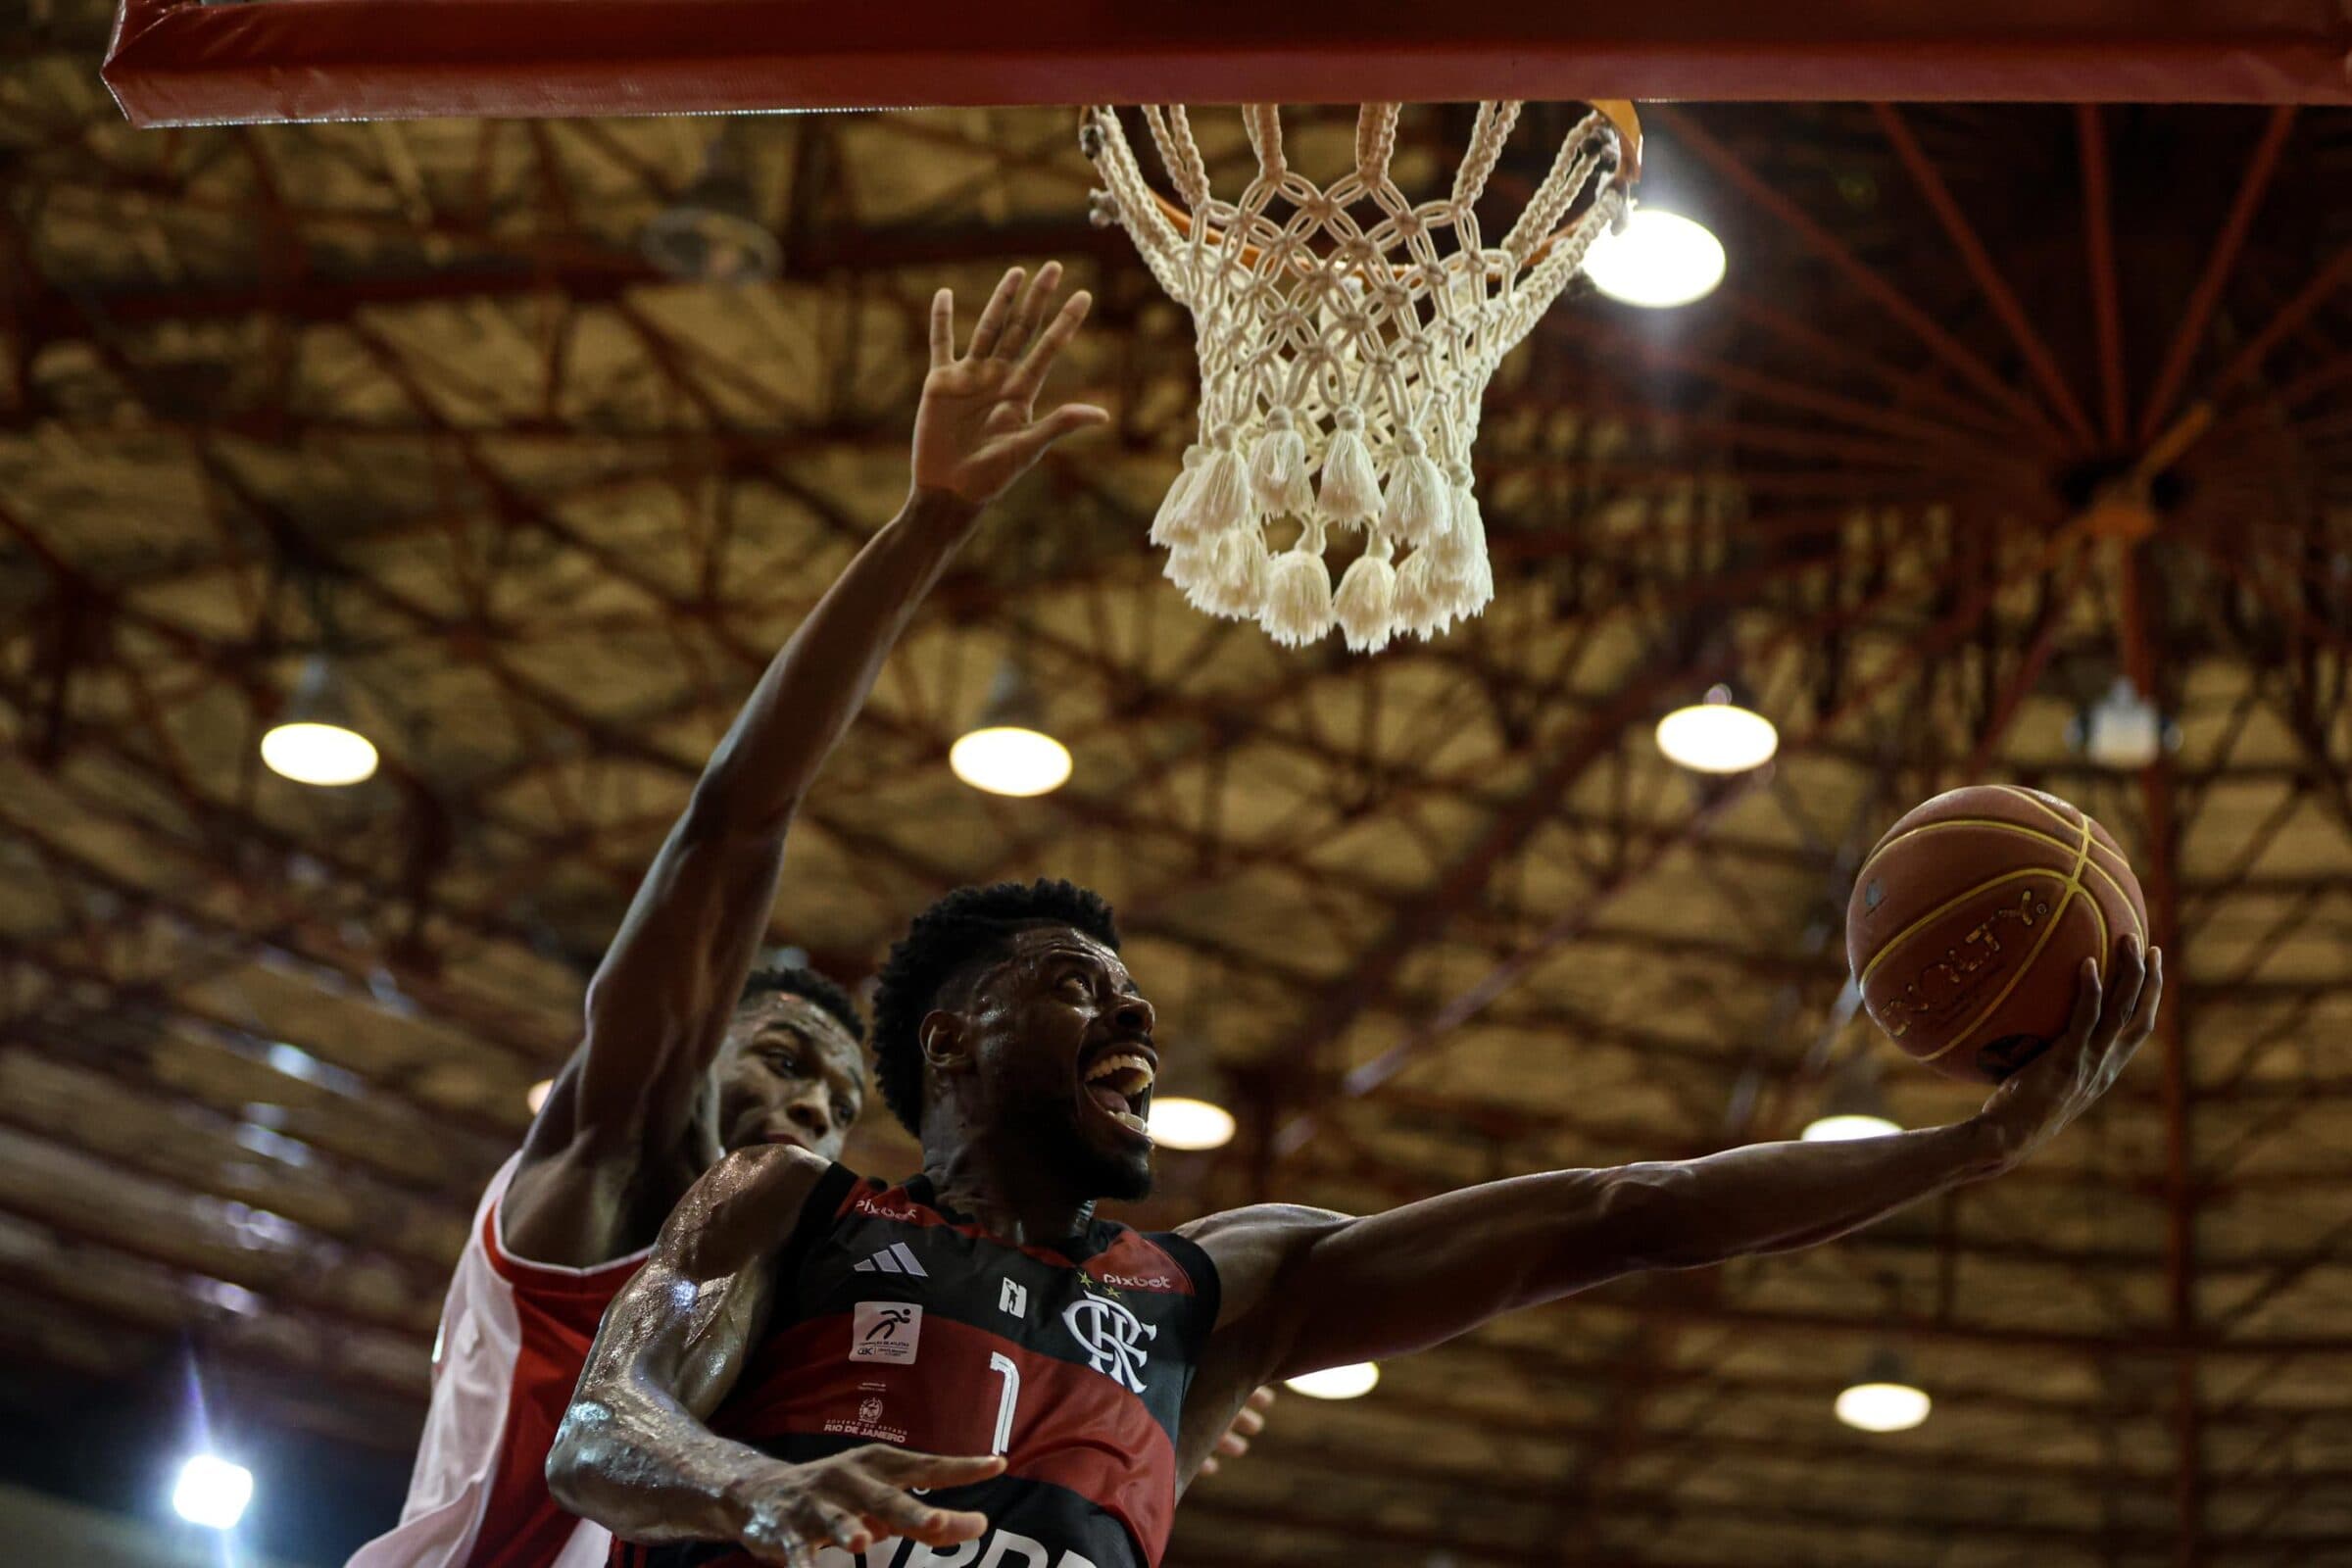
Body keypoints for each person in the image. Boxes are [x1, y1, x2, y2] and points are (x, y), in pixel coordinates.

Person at [350, 263, 1287, 1568]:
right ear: (695, 1050)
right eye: (785, 1059)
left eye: (840, 1102)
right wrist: (929, 525)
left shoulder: (780, 1280)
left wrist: (1142, 1402)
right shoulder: (612, 1166)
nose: (809, 1111)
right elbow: (732, 824)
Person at [549, 879, 2161, 1568]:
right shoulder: (794, 1204)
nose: (1137, 1019)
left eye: (1135, 997)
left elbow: (1627, 1215)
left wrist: (1970, 1149)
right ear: (955, 1039)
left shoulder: (1215, 1294)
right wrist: (755, 1489)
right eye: (1079, 989)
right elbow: (601, 1428)